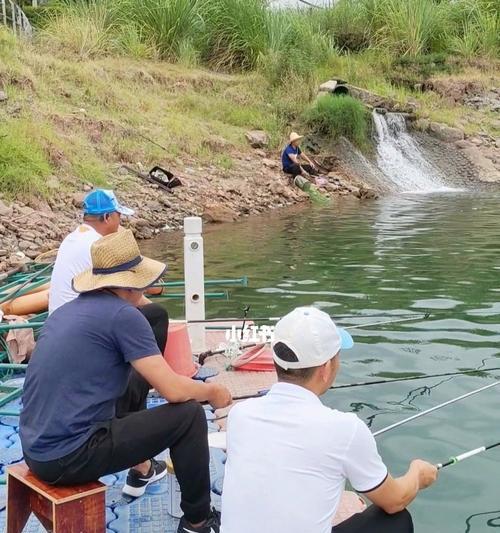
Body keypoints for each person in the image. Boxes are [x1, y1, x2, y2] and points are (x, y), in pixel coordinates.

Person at [20, 230, 232, 533]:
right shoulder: (123, 316)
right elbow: (172, 390)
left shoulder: (65, 312)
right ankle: (198, 521)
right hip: (69, 456)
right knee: (189, 417)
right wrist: (214, 391)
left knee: (136, 380)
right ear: (132, 282)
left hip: (35, 448)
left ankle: (143, 468)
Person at [221, 306, 438, 533]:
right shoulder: (346, 429)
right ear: (325, 368)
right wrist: (417, 474)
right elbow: (395, 500)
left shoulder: (240, 414)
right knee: (396, 520)